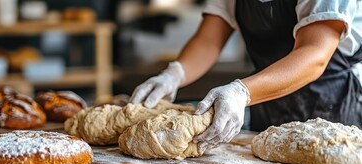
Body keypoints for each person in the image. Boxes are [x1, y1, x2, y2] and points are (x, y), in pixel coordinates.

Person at [130, 0, 362, 151]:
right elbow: (209, 40)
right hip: (270, 107)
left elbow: (314, 55)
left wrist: (242, 92)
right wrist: (174, 74)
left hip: (336, 111)